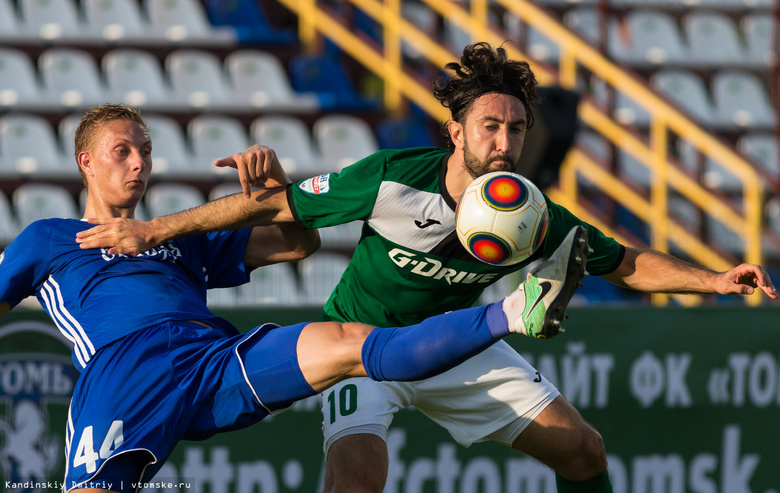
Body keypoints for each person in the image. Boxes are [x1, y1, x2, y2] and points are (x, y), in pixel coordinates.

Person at [74, 45, 778, 493]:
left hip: (457, 345)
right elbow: (272, 208)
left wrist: (713, 279)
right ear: (457, 131)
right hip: (361, 351)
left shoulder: (529, 212)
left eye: (517, 129)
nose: (504, 142)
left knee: (585, 452)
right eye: (490, 127)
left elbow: (625, 263)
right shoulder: (390, 180)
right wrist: (154, 229)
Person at [0, 104, 593, 493]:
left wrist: (272, 191)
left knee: (352, 342)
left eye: (146, 151)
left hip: (212, 358)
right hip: (128, 372)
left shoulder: (179, 241)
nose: (139, 163)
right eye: (122, 151)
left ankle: (515, 310)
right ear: (85, 162)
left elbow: (296, 243)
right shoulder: (47, 240)